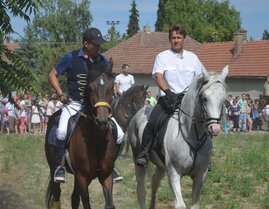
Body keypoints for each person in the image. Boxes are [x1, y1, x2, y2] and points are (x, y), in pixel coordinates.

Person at [48, 27, 124, 183]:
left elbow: (108, 80)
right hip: (75, 104)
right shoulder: (71, 58)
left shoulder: (102, 60)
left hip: (97, 106)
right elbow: (52, 75)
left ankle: (111, 166)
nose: (98, 47)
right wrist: (60, 94)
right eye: (95, 44)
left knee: (120, 134)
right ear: (86, 44)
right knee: (61, 131)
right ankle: (59, 166)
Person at [136, 25, 206, 168]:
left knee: (204, 124)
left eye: (178, 37)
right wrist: (168, 92)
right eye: (173, 37)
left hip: (189, 101)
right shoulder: (162, 57)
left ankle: (205, 156)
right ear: (169, 39)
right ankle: (144, 153)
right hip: (168, 99)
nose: (176, 40)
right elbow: (158, 76)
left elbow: (201, 78)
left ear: (183, 39)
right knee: (152, 123)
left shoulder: (193, 58)